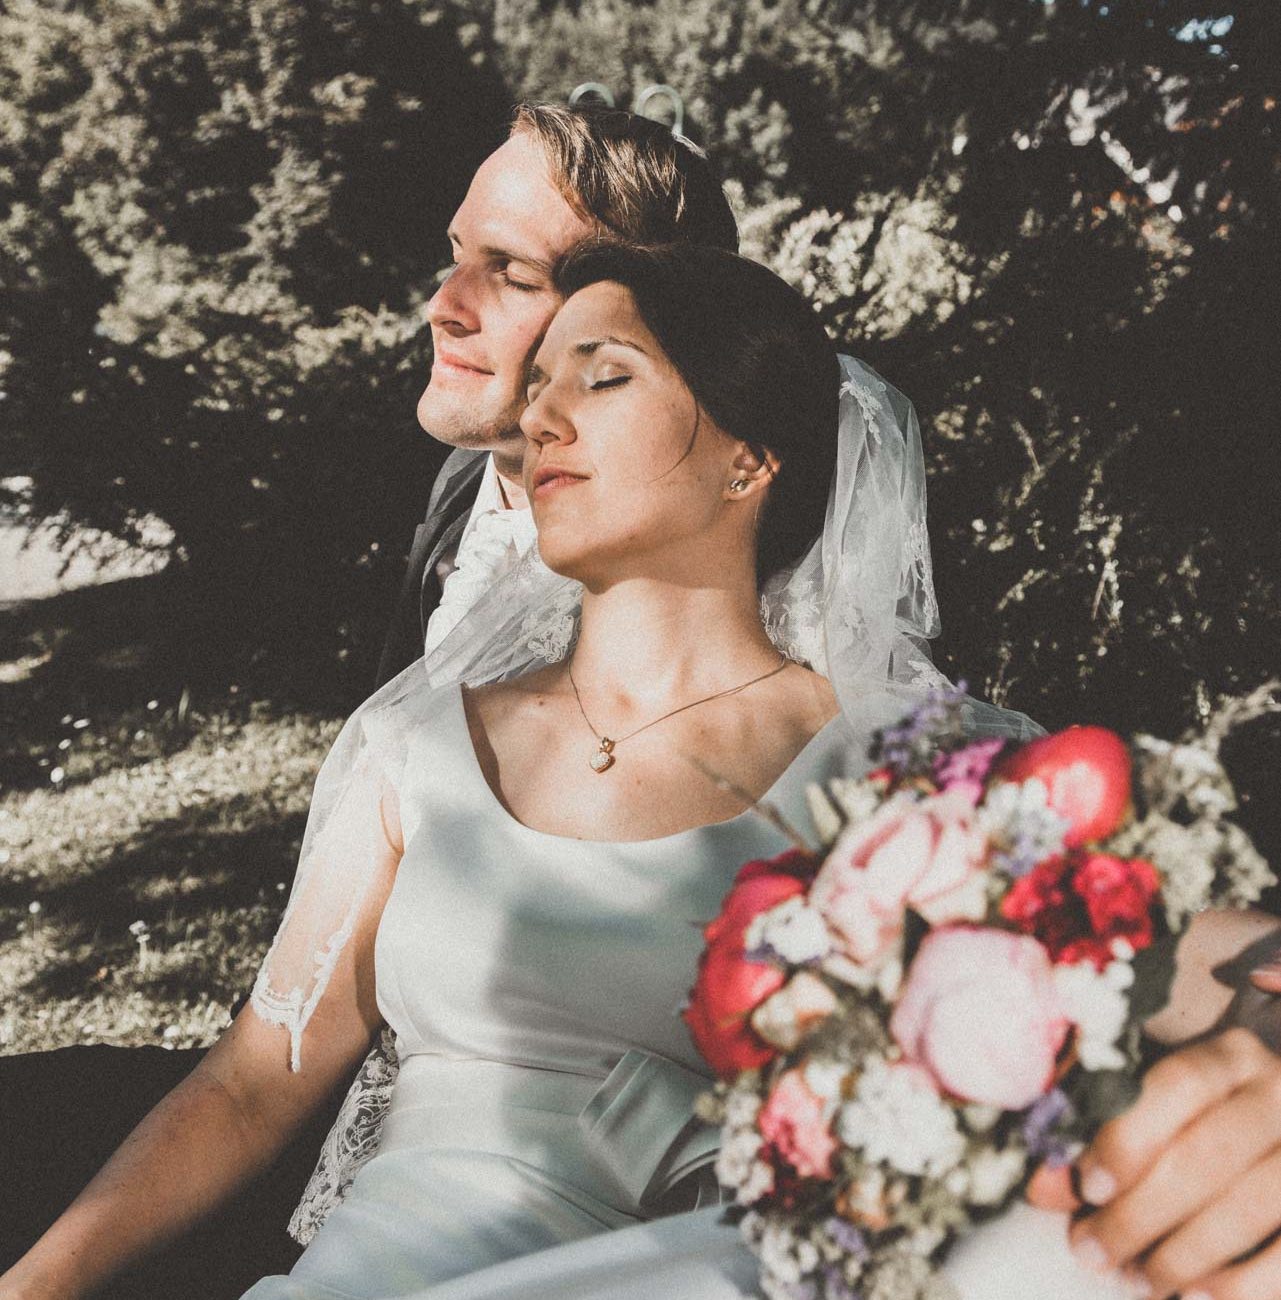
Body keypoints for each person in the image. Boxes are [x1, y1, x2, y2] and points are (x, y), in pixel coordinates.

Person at [8, 239, 1281, 1300]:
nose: (538, 414)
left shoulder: (908, 769)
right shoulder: (415, 750)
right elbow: (243, 1088)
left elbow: (1197, 959)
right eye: (539, 383)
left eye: (603, 376)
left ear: (751, 454)